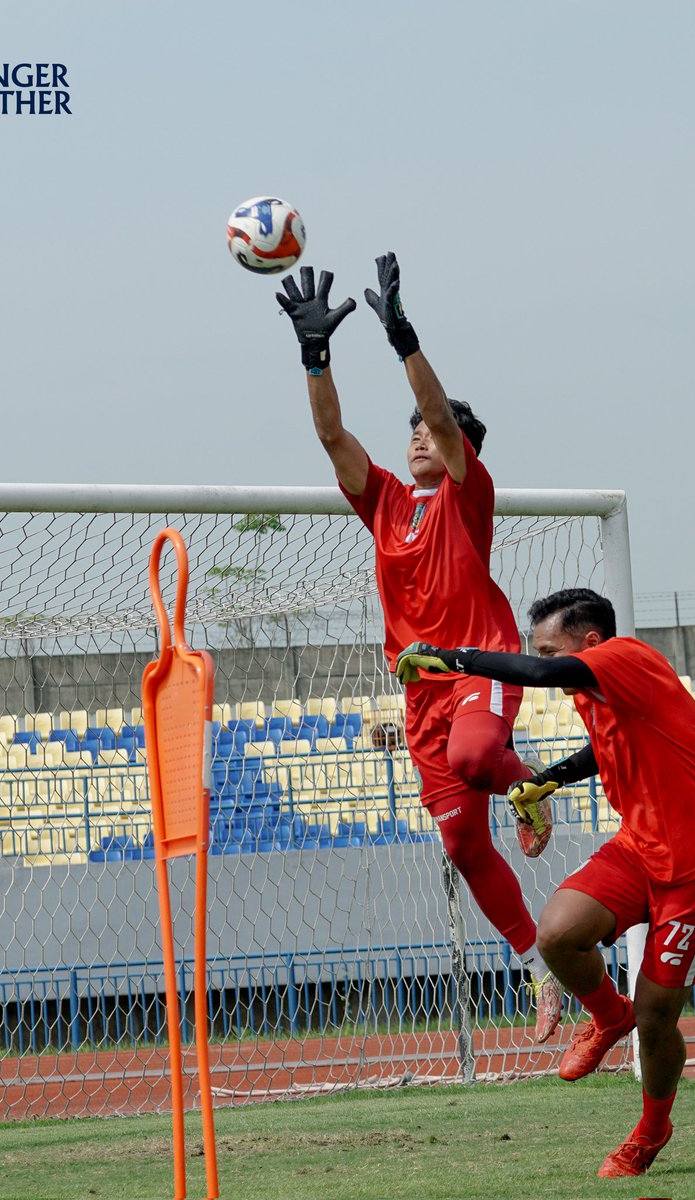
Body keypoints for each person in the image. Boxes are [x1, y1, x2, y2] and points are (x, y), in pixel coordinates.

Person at [276, 254, 562, 1042]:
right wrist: (315, 357)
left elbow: (437, 414)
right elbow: (332, 434)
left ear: (462, 450)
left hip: (481, 664)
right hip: (420, 693)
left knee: (478, 756)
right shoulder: (387, 507)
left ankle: (529, 785)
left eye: (432, 436)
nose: (417, 441)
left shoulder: (470, 496)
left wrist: (404, 339)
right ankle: (540, 967)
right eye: (410, 437)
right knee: (464, 844)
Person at [395, 587, 695, 1178]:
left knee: (659, 1016)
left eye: (551, 647)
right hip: (639, 846)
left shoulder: (624, 657)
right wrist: (549, 780)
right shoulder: (598, 689)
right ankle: (611, 1016)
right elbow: (604, 750)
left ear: (589, 642)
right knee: (558, 933)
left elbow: (541, 671)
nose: (548, 662)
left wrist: (456, 659)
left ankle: (650, 1130)